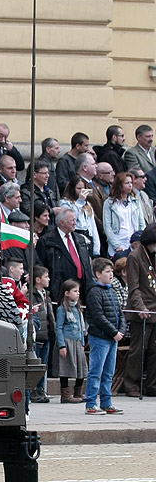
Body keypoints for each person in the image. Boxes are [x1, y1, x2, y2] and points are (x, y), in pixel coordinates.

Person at [84, 257, 126, 414]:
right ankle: (90, 402)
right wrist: (113, 332)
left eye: (112, 272)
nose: (111, 275)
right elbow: (98, 316)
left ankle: (106, 402)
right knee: (96, 371)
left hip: (112, 338)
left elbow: (120, 313)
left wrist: (120, 330)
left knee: (109, 372)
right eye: (107, 272)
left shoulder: (112, 291)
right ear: (98, 274)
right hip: (100, 338)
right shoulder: (94, 292)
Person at [123, 223, 156, 397]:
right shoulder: (135, 257)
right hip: (141, 312)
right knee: (138, 350)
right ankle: (131, 385)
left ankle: (152, 384)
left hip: (155, 311)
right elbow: (133, 288)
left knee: (154, 351)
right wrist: (140, 307)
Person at [36, 207, 94, 302]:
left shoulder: (80, 240)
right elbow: (41, 266)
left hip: (82, 290)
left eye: (75, 220)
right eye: (72, 220)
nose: (75, 223)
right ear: (62, 222)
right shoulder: (46, 242)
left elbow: (86, 265)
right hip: (61, 291)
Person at [54, 278, 86, 405]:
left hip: (77, 341)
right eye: (75, 291)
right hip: (67, 341)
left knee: (81, 368)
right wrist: (62, 345)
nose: (78, 293)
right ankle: (65, 395)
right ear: (67, 293)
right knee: (65, 368)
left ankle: (78, 392)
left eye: (78, 291)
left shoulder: (77, 309)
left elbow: (81, 327)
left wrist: (82, 342)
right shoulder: (62, 309)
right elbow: (59, 327)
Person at [102, 171, 145, 260]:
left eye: (131, 183)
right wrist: (116, 245)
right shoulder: (109, 203)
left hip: (134, 243)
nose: (130, 185)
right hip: (118, 243)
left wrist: (141, 240)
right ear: (119, 184)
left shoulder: (135, 202)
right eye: (127, 183)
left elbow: (141, 223)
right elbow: (107, 226)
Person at [31, 266, 59, 400]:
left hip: (47, 333)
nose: (48, 279)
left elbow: (50, 314)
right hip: (38, 335)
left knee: (44, 364)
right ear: (37, 279)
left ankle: (41, 389)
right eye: (46, 277)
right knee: (35, 363)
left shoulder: (46, 294)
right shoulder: (31, 294)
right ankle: (33, 389)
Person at [60, 177, 101, 256]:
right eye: (79, 188)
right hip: (76, 234)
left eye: (83, 188)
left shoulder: (87, 204)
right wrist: (79, 202)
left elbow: (93, 226)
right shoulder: (65, 203)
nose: (82, 191)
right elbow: (71, 217)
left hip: (88, 235)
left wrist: (97, 247)